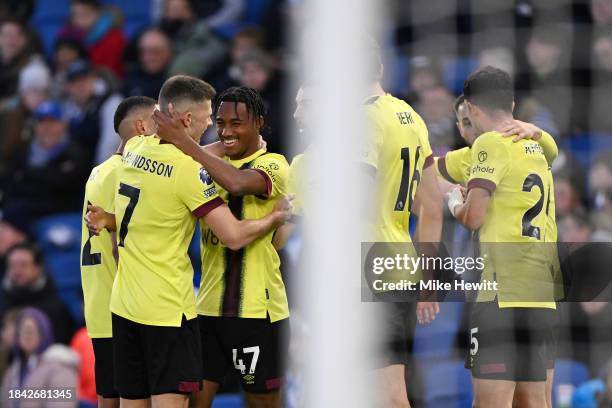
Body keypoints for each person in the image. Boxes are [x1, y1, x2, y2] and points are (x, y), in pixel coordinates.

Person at [85, 75, 292, 408]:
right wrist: (274, 217)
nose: (218, 127)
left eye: (231, 123)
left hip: (127, 307)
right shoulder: (189, 172)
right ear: (186, 119)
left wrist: (111, 219)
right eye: (212, 118)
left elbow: (153, 197)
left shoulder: (134, 148)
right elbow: (235, 233)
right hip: (171, 310)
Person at [154, 85, 290, 408]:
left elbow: (239, 183)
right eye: (220, 123)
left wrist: (185, 142)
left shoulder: (275, 164)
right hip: (207, 309)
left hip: (257, 313)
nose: (226, 131)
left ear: (259, 122)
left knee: (262, 403)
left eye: (236, 123)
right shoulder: (206, 165)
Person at [447, 66, 558, 408]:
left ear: (473, 108)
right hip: (542, 294)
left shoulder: (489, 144)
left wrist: (454, 203)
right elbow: (552, 149)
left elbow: (473, 217)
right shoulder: (535, 147)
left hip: (502, 294)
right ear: (511, 103)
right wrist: (538, 132)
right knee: (534, 402)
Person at [361, 39, 443, 408]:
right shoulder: (409, 116)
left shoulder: (361, 119)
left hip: (366, 268)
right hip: (400, 265)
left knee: (387, 395)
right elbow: (432, 204)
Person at [80, 95, 158, 408]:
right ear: (142, 127)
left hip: (100, 303)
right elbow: (119, 245)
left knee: (110, 397)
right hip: (123, 308)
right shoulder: (125, 172)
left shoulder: (99, 170)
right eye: (158, 121)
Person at [0, 100, 90, 236]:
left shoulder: (76, 154)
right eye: (42, 122)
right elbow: (8, 184)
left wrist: (28, 177)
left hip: (60, 217)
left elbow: (65, 186)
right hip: (19, 214)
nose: (47, 127)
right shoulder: (22, 152)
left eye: (52, 122)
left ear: (63, 125)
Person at [0, 307, 79, 408]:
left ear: (44, 333)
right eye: (23, 330)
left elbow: (62, 404)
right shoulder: (12, 372)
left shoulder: (60, 367)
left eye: (32, 330)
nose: (27, 335)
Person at [0, 243, 76, 344]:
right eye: (12, 265)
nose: (17, 271)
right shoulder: (2, 301)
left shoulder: (56, 308)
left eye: (23, 265)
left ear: (38, 268)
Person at [63, 60, 123, 165]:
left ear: (94, 79)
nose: (80, 85)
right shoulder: (68, 107)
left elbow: (111, 143)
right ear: (68, 87)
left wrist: (97, 175)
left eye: (84, 79)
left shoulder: (111, 101)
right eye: (74, 81)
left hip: (103, 172)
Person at [60, 0, 127, 78]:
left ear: (97, 13)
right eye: (75, 16)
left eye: (84, 15)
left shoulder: (114, 38)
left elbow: (110, 75)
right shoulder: (74, 35)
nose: (78, 21)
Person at [122, 28, 172, 99]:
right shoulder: (131, 78)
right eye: (143, 51)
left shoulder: (176, 81)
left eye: (156, 52)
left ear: (168, 53)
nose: (148, 57)